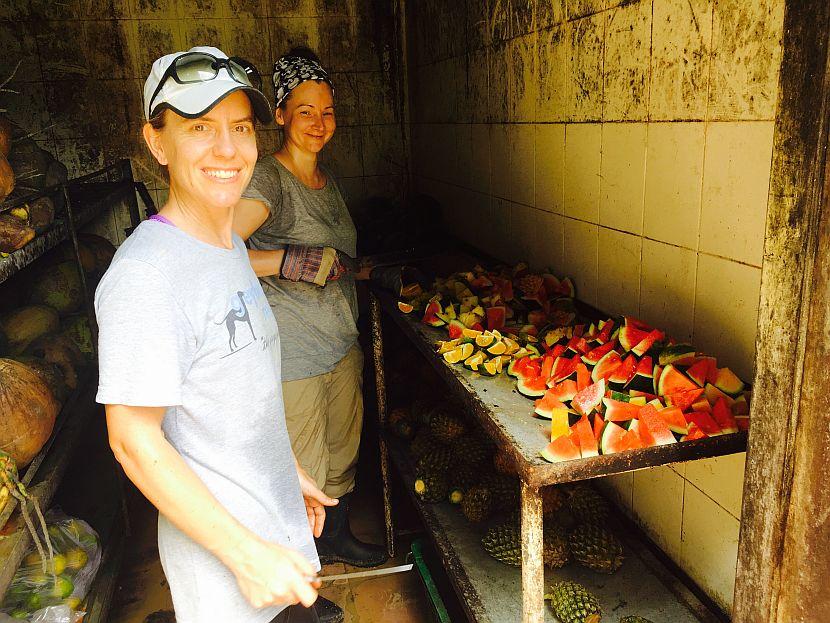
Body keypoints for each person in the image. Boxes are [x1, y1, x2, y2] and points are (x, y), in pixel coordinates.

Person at [96, 46, 336, 623]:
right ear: (157, 142)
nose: (226, 149)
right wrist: (245, 555)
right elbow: (132, 439)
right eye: (200, 127)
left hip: (273, 537)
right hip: (228, 575)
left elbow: (228, 393)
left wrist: (285, 469)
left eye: (239, 127)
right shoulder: (147, 275)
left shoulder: (227, 246)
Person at [233, 49, 387, 579]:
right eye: (305, 111)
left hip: (340, 343)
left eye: (327, 111)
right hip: (294, 353)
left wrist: (356, 268)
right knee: (302, 469)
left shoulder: (330, 182)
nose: (319, 123)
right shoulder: (269, 181)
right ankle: (298, 579)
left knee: (342, 456)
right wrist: (282, 260)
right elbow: (213, 249)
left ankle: (337, 540)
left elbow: (331, 255)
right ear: (280, 116)